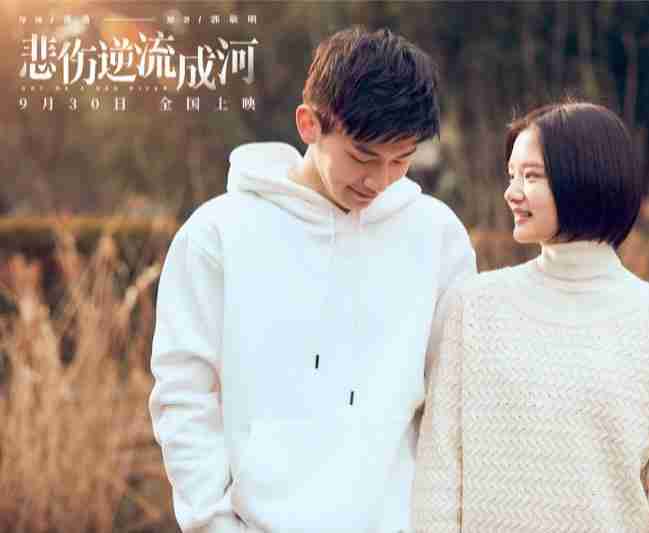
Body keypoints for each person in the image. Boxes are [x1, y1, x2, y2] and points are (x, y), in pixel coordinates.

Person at [149, 26, 476, 533]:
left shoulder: (437, 236)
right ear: (309, 124)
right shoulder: (217, 234)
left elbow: (453, 405)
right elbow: (183, 397)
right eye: (362, 156)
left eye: (400, 160)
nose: (379, 180)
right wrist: (214, 524)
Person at [411, 101, 649, 532]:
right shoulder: (472, 307)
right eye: (511, 175)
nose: (511, 192)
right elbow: (438, 479)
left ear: (586, 177)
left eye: (531, 176)